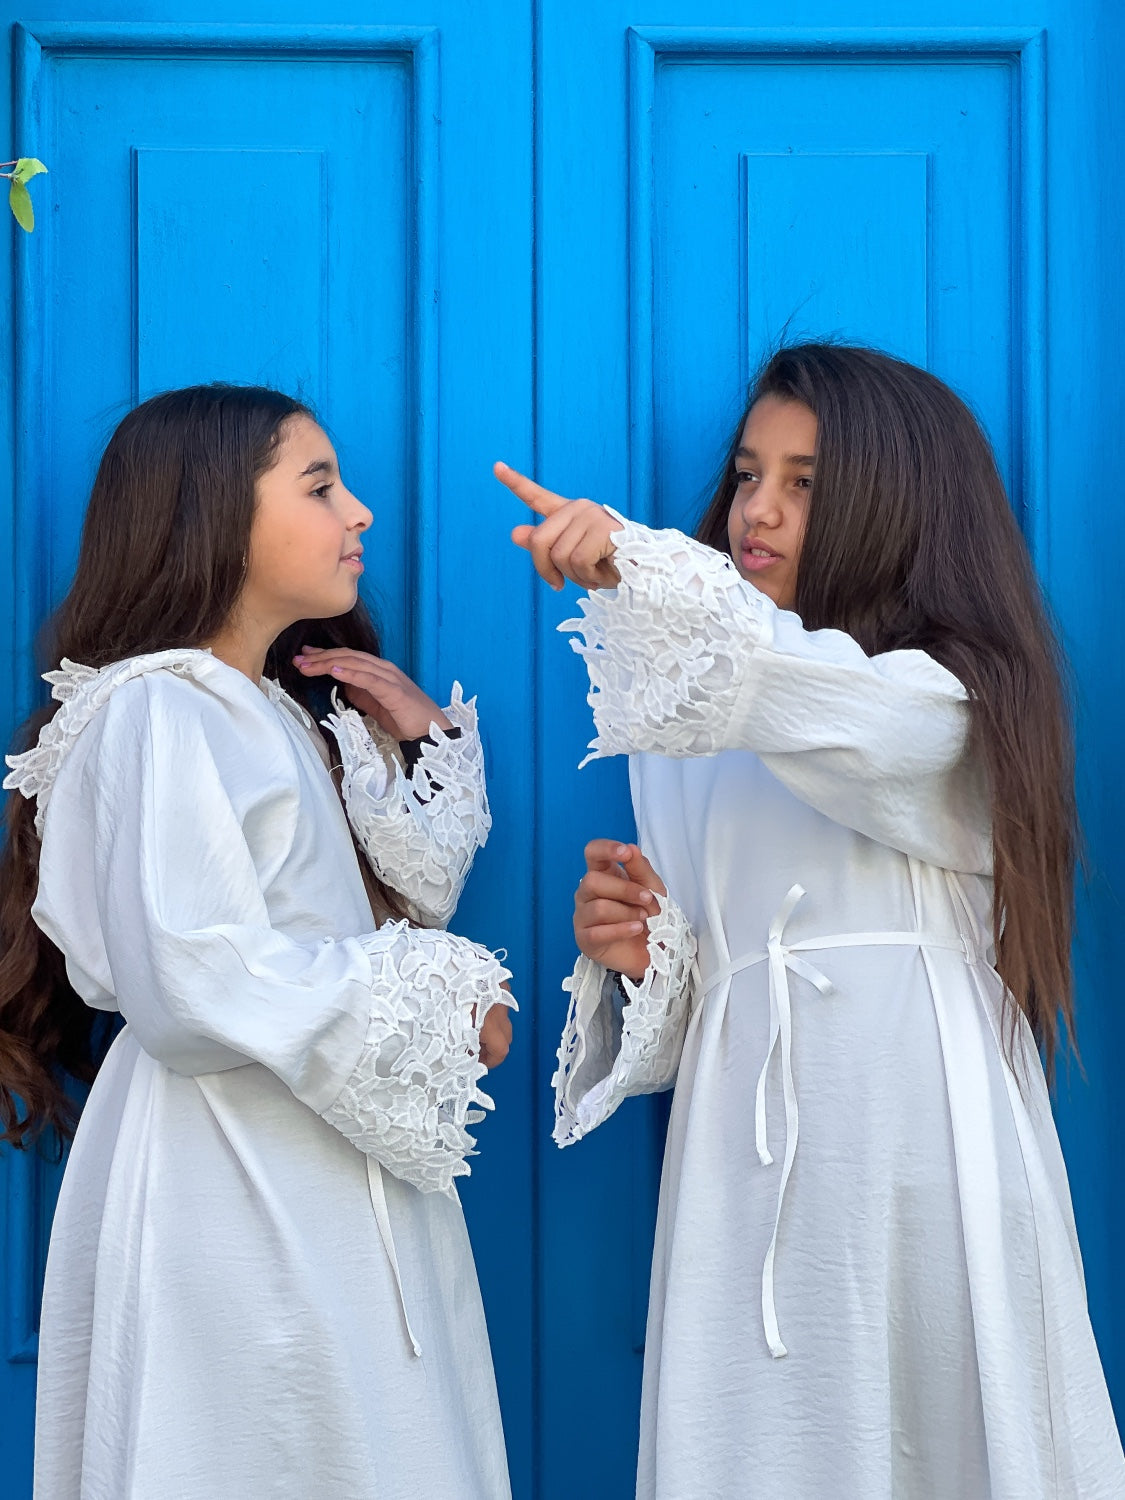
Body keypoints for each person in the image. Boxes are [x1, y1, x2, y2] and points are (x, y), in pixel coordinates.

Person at [496, 343, 1125, 1499]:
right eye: (748, 475)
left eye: (805, 483)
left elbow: (827, 708)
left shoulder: (944, 700)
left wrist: (642, 565)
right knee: (765, 1445)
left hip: (916, 1133)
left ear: (896, 507)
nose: (758, 510)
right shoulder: (688, 734)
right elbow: (702, 999)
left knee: (945, 1428)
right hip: (746, 1152)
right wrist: (645, 953)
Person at [0, 383, 514, 1500]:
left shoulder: (270, 710)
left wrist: (422, 744)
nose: (359, 511)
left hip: (315, 1136)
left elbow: (397, 898)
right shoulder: (160, 711)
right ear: (210, 516)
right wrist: (444, 1001)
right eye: (319, 485)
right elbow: (191, 972)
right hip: (231, 1157)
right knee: (254, 1442)